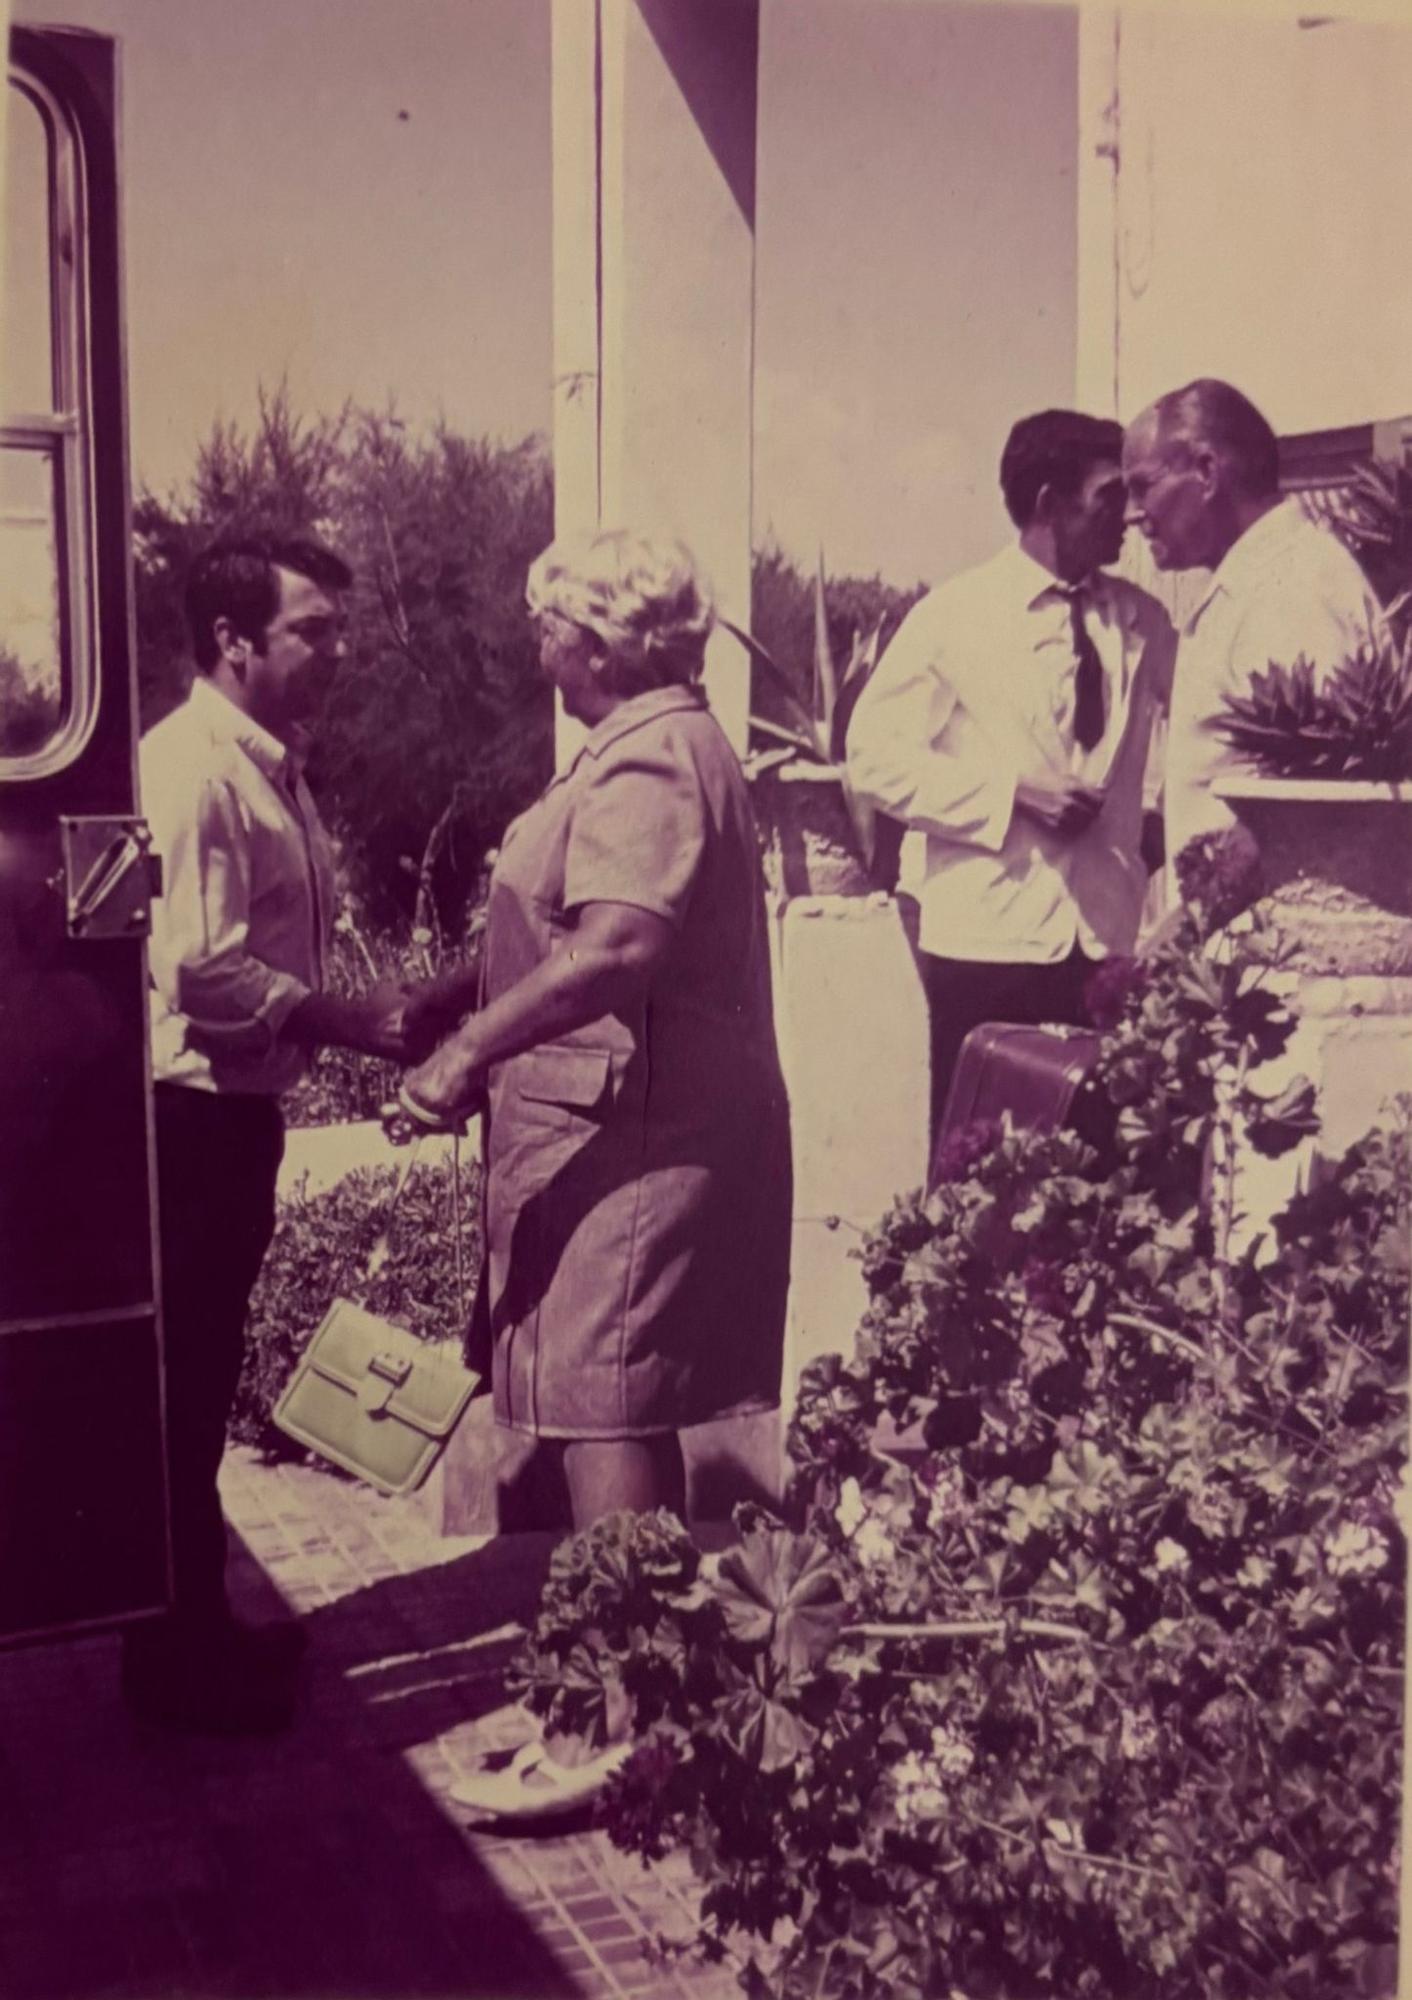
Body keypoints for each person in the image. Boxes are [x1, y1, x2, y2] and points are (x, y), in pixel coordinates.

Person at [396, 529, 791, 1532]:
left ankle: (630, 1670)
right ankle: (635, 1662)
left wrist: (467, 1049)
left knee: (601, 1396)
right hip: (632, 1120)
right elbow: (568, 921)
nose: (540, 655)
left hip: (636, 1135)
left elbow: (618, 944)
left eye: (549, 633)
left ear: (602, 648)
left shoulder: (650, 757)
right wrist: (456, 992)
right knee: (613, 1386)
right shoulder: (646, 743)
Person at [133, 535, 409, 1734]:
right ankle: (180, 1659)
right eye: (314, 630)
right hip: (187, 1123)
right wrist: (346, 1018)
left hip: (234, 1119)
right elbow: (195, 967)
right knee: (181, 1390)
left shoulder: (266, 764)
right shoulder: (193, 767)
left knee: (196, 1380)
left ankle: (189, 1632)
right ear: (234, 642)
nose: (338, 652)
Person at [845, 410, 1176, 1150]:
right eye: (1109, 496)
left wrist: (1150, 841)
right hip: (989, 945)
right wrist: (1009, 795)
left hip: (1103, 945)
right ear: (1050, 503)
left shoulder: (1143, 622)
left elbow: (1202, 741)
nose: (1129, 517)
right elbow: (871, 756)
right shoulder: (955, 615)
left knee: (1098, 1170)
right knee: (982, 1169)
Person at [1122, 378, 1382, 877]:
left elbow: (1309, 810)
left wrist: (1186, 934)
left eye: (1143, 486)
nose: (1135, 515)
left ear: (1206, 472)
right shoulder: (1255, 580)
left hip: (1275, 939)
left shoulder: (1292, 587)